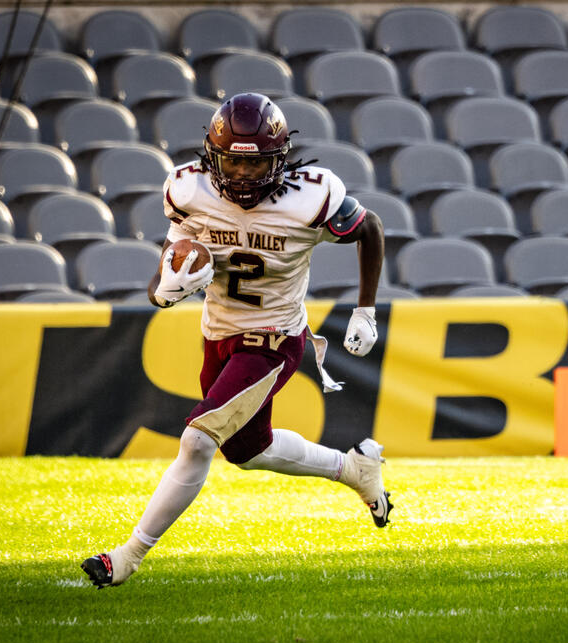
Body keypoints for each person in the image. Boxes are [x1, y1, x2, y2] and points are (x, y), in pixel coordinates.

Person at [81, 93, 391, 589]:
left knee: (197, 440)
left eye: (256, 164)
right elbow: (161, 280)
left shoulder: (310, 197)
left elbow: (369, 227)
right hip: (219, 334)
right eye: (233, 163)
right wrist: (166, 290)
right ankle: (353, 469)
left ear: (280, 159)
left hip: (274, 337)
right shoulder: (188, 190)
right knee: (248, 450)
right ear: (213, 157)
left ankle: (127, 556)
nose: (244, 175)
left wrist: (366, 310)